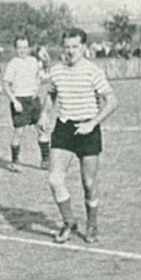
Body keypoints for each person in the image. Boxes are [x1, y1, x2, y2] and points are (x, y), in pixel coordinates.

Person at [39, 29, 118, 244]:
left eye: (75, 47)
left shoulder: (93, 71)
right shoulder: (57, 71)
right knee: (55, 180)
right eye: (67, 47)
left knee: (89, 184)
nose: (70, 51)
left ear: (84, 47)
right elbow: (51, 94)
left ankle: (92, 224)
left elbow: (112, 101)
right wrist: (45, 113)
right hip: (64, 128)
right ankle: (69, 222)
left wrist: (92, 123)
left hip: (88, 130)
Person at [1, 36, 51, 172]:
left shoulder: (34, 61)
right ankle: (15, 162)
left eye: (25, 47)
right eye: (19, 47)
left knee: (42, 128)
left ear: (28, 48)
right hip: (20, 100)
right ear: (15, 48)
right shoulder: (13, 63)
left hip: (33, 100)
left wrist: (37, 87)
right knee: (19, 132)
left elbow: (39, 76)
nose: (22, 50)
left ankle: (45, 161)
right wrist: (14, 101)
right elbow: (5, 84)